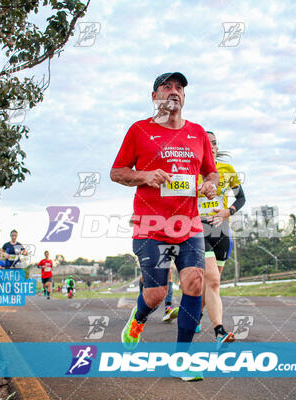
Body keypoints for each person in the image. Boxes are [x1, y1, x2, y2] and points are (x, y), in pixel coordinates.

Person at [111, 72, 219, 381]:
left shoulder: (197, 133)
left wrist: (210, 185)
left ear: (184, 97)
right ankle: (139, 316)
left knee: (195, 282)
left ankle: (180, 360)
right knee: (157, 294)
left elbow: (210, 173)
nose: (174, 92)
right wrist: (144, 176)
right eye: (167, 87)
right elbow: (117, 172)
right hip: (151, 224)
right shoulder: (139, 130)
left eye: (179, 88)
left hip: (189, 223)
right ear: (155, 95)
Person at [196, 131, 246, 347]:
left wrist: (228, 212)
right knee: (213, 280)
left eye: (215, 143)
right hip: (199, 230)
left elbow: (241, 197)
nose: (213, 147)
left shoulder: (227, 171)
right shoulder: (190, 171)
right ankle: (219, 331)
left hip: (222, 231)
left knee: (212, 284)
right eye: (208, 144)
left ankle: (195, 315)